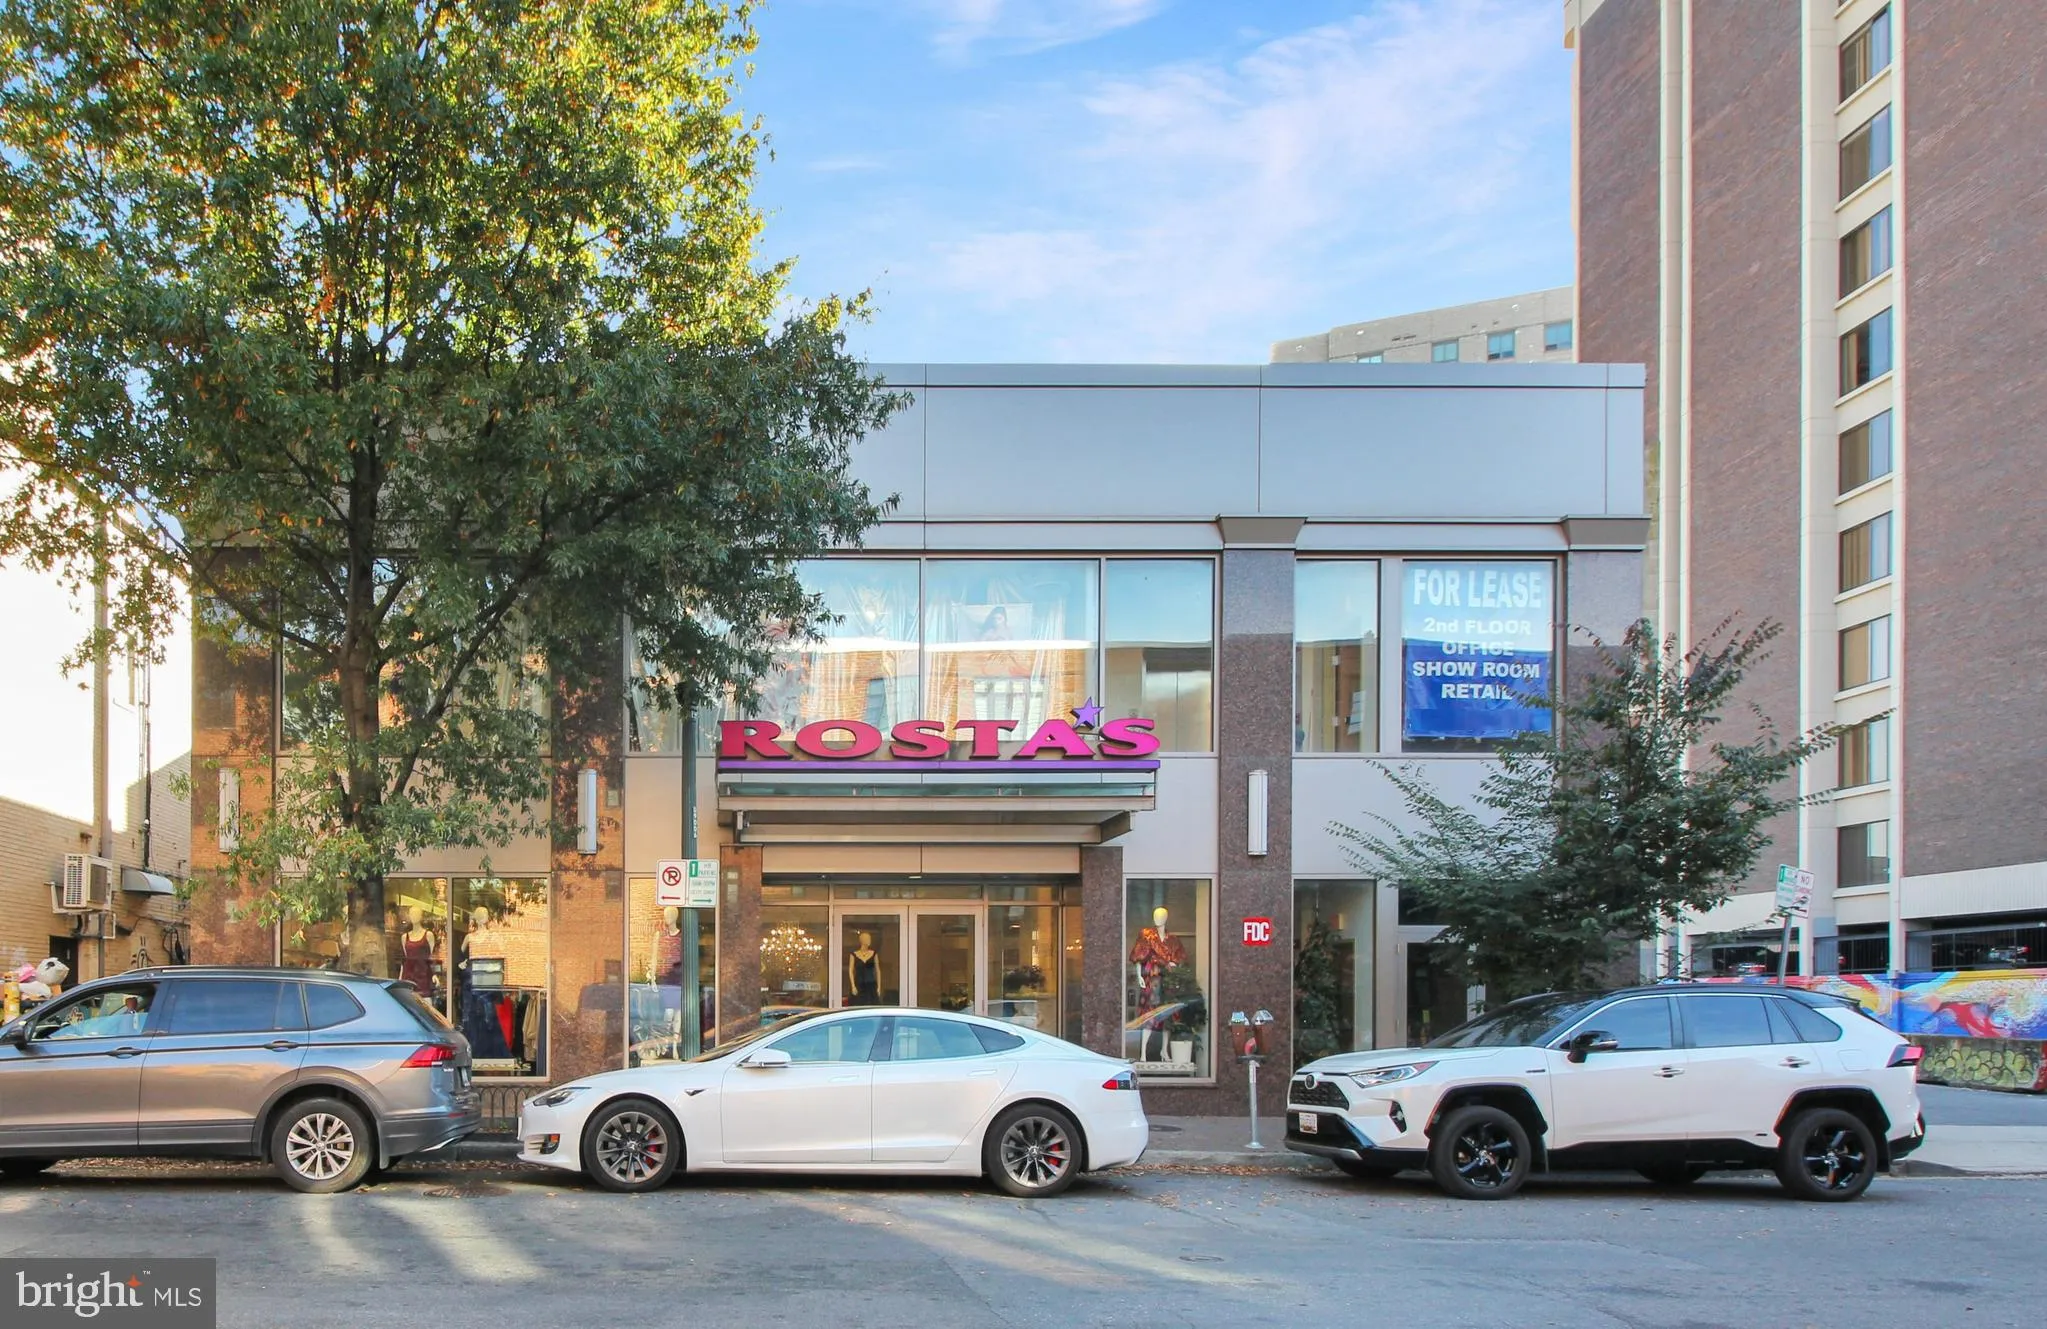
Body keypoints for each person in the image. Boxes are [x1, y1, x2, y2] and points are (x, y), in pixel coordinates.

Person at [847, 932, 881, 1006]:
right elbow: (850, 970)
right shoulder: (854, 954)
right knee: (857, 1005)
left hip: (871, 985)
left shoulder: (874, 954)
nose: (870, 940)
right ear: (862, 940)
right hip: (858, 985)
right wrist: (853, 986)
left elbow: (877, 971)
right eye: (868, 939)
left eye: (870, 939)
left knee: (872, 1006)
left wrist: (879, 987)